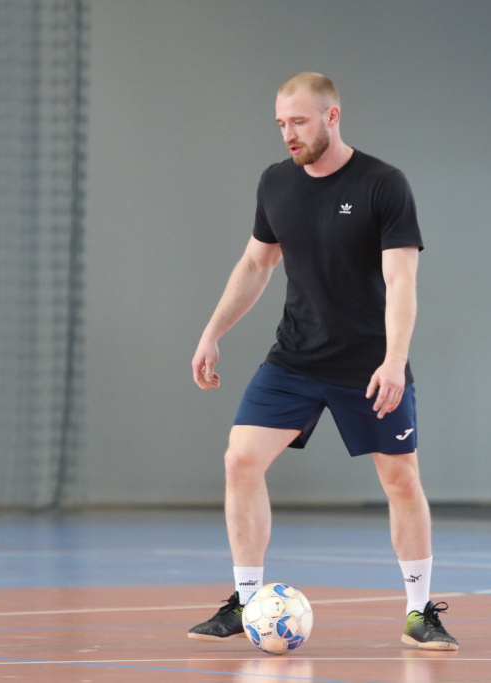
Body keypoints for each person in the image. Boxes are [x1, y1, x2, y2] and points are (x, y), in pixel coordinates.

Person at [187, 72, 457, 651]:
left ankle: (419, 613)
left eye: (299, 122)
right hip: (296, 358)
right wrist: (212, 331)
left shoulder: (383, 184)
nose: (288, 133)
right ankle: (246, 600)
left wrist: (394, 359)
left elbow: (401, 279)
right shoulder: (275, 183)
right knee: (240, 460)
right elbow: (256, 264)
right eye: (281, 123)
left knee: (401, 479)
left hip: (369, 364)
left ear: (332, 117)